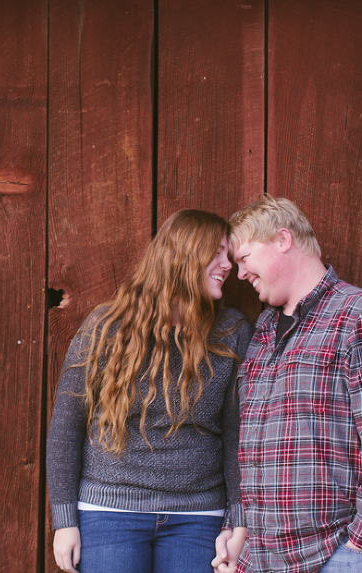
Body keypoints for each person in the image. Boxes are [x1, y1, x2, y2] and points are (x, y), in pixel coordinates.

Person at [212, 195, 362, 573]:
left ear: (283, 240)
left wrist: (361, 548)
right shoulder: (262, 332)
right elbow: (251, 449)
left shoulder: (361, 317)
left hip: (344, 557)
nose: (240, 274)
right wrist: (239, 536)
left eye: (244, 259)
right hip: (265, 561)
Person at [47, 210, 253, 573]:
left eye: (231, 256)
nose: (229, 266)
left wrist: (238, 521)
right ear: (184, 255)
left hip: (199, 517)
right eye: (218, 253)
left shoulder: (231, 331)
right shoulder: (106, 327)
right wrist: (64, 520)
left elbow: (239, 435)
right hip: (110, 513)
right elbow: (66, 428)